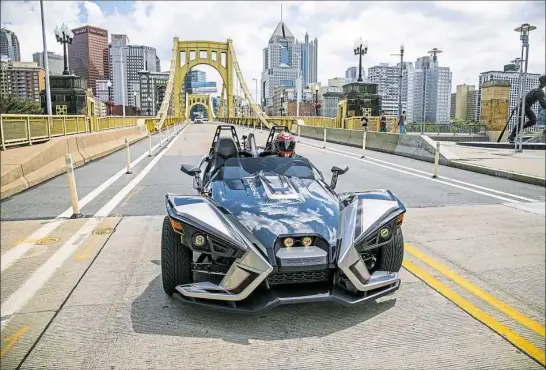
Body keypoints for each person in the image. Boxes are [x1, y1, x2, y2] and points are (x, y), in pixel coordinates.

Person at [508, 74, 546, 143]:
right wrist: (516, 107)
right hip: (522, 107)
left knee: (533, 121)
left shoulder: (535, 89)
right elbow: (543, 104)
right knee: (520, 123)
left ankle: (516, 131)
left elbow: (523, 98)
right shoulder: (540, 92)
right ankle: (512, 136)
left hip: (526, 107)